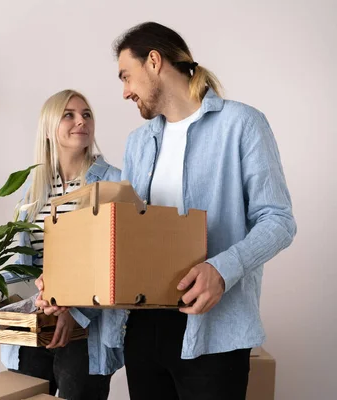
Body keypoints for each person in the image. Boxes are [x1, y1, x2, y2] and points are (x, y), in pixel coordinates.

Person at [38, 21, 297, 400]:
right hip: (142, 331)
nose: (125, 92)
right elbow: (123, 238)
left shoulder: (241, 124)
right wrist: (67, 289)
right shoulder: (139, 143)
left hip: (215, 334)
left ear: (154, 62)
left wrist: (222, 271)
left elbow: (278, 220)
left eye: (126, 76)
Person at [0, 89, 123, 400]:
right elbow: (22, 264)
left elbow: (118, 263)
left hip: (85, 331)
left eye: (86, 114)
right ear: (49, 126)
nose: (80, 121)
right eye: (69, 114)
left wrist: (74, 313)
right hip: (35, 325)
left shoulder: (114, 183)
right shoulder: (32, 188)